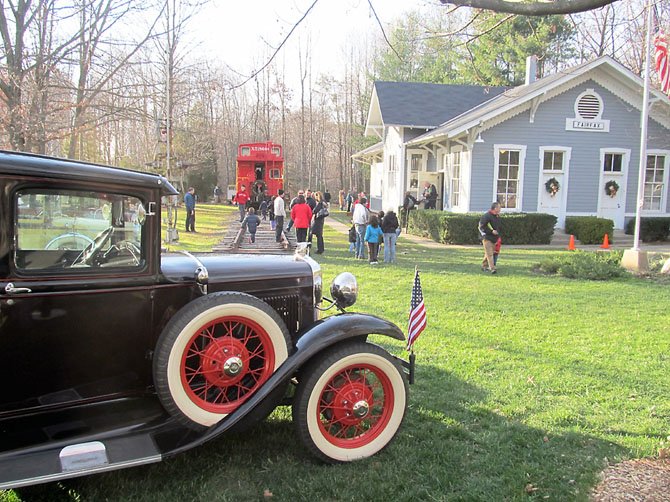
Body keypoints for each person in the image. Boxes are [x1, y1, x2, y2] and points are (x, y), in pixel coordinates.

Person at [479, 202, 502, 274]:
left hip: (494, 238)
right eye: (499, 207)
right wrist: (491, 231)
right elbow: (482, 227)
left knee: (489, 252)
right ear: (495, 208)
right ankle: (492, 268)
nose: (500, 209)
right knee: (490, 254)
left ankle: (484, 266)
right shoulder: (486, 216)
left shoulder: (497, 216)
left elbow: (498, 227)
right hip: (486, 237)